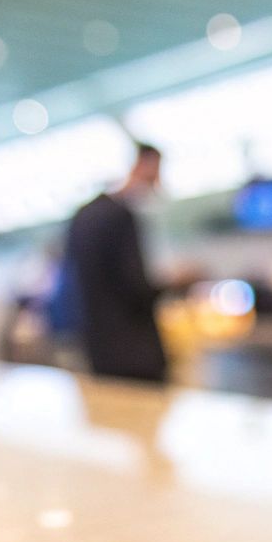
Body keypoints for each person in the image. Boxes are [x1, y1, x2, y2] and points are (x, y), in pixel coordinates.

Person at [63, 143, 169, 382]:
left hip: (98, 349)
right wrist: (174, 282)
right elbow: (136, 286)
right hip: (135, 351)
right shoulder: (121, 216)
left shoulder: (83, 216)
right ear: (144, 164)